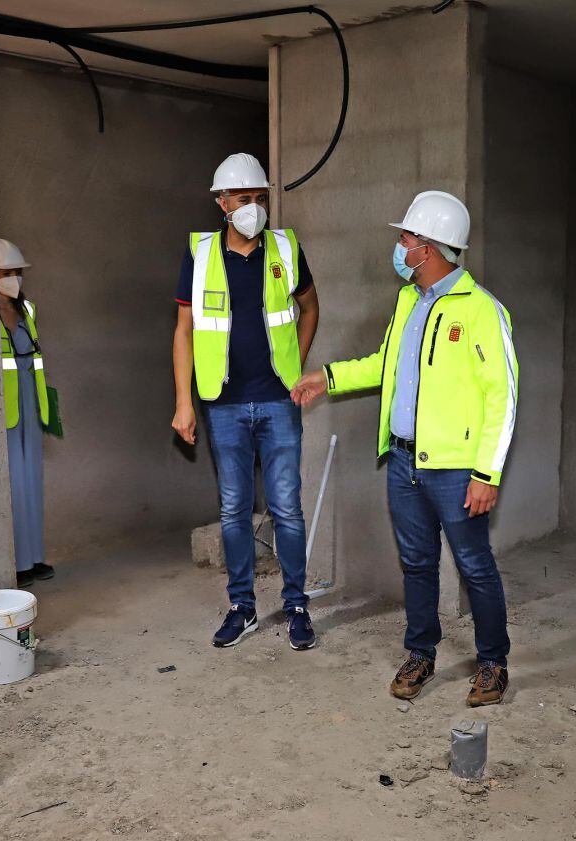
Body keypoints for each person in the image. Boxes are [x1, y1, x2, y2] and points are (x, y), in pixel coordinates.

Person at [292, 191, 518, 706]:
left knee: (474, 566)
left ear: (430, 247)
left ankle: (493, 663)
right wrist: (327, 378)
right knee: (417, 565)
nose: (400, 246)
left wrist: (488, 473)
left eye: (406, 238)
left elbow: (502, 396)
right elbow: (385, 364)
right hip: (403, 462)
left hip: (457, 470)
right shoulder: (407, 302)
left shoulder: (483, 311)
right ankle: (421, 653)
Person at [171, 153, 321, 650]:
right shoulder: (200, 254)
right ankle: (243, 606)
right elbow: (185, 331)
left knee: (287, 509)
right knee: (234, 509)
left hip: (278, 402)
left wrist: (294, 369)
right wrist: (184, 403)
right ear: (222, 204)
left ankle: (297, 605)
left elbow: (309, 307)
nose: (254, 207)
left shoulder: (284, 248)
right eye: (243, 199)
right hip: (225, 404)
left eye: (261, 198)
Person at [0, 238, 55, 589]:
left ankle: (33, 559)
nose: (14, 278)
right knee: (14, 486)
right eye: (6, 272)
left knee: (31, 482)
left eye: (17, 272)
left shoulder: (27, 311)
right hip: (4, 412)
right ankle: (15, 563)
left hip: (29, 407)